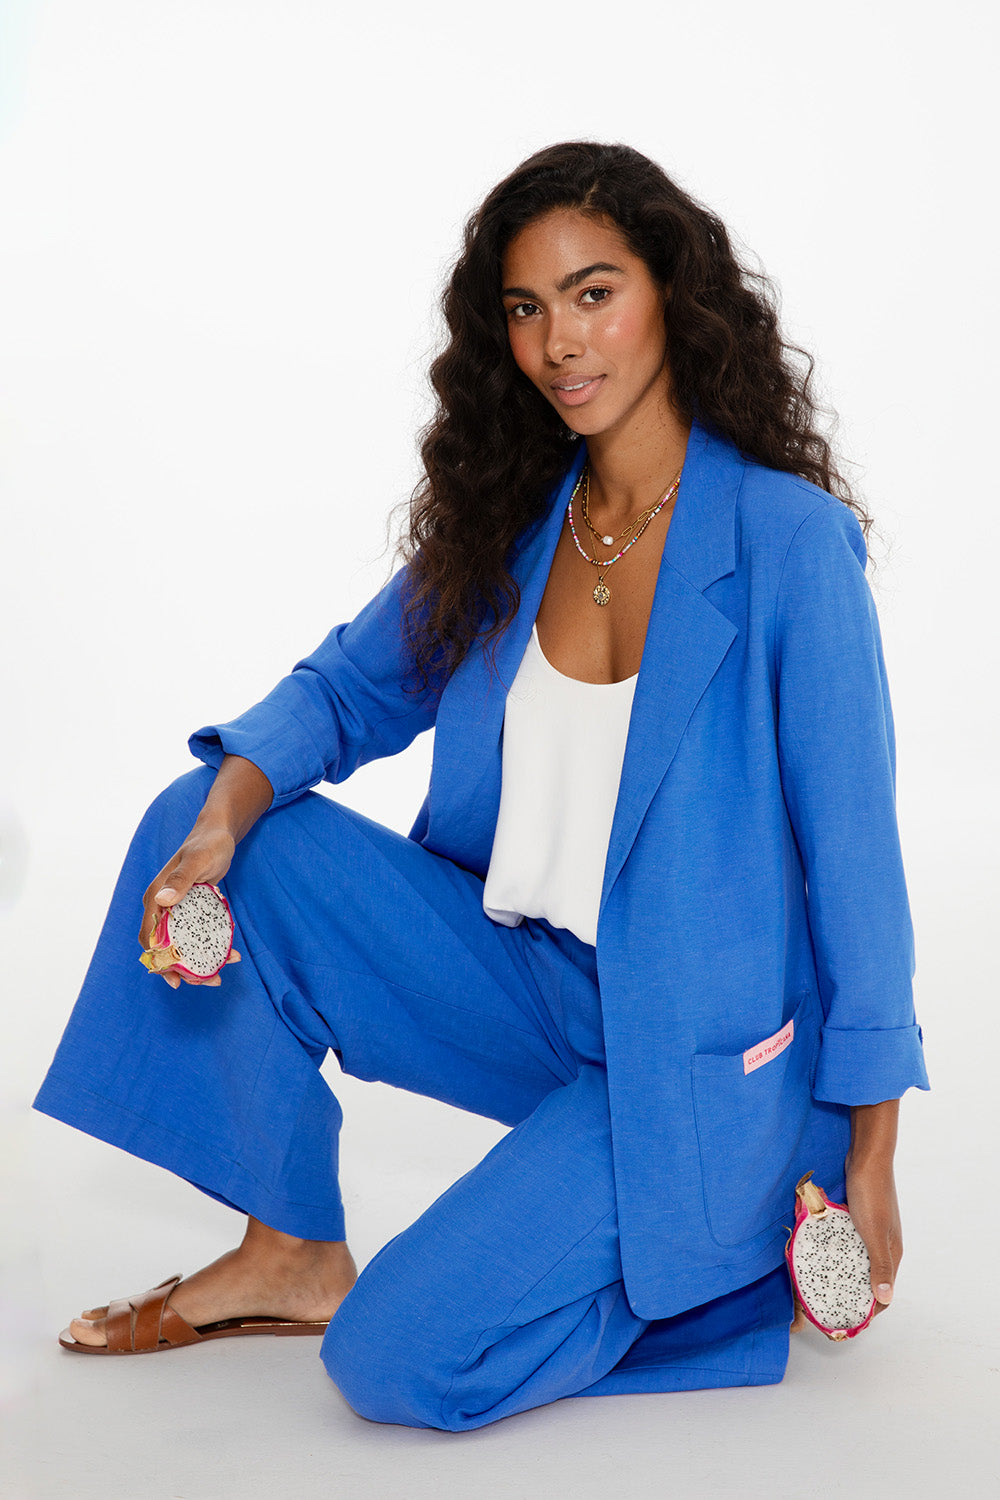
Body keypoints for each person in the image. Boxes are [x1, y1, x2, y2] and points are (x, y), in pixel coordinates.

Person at [34, 141, 929, 1430]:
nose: (561, 341)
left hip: (697, 1061)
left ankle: (732, 1269)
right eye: (526, 308)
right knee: (212, 809)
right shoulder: (516, 523)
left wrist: (872, 1153)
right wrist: (221, 825)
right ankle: (290, 1249)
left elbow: (859, 871)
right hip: (524, 985)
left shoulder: (790, 544)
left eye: (593, 293)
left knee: (395, 1362)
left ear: (672, 294)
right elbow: (343, 693)